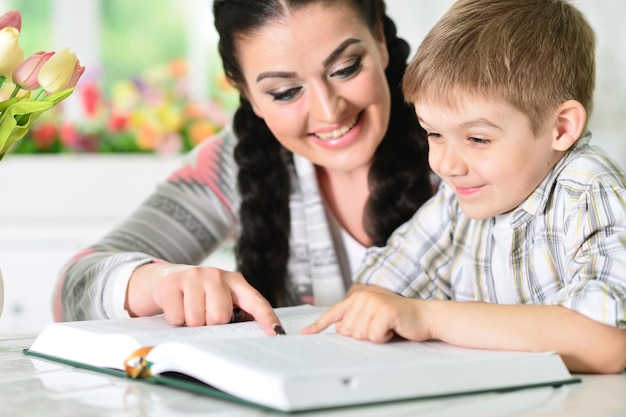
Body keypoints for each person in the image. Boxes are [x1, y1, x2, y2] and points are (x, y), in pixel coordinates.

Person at [53, 0, 434, 335]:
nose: (328, 110)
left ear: (380, 40)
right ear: (246, 92)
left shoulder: (465, 136)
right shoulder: (231, 162)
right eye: (285, 92)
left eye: (346, 68)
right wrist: (160, 282)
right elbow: (70, 293)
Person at [304, 0, 626, 373]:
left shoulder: (589, 191)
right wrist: (378, 308)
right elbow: (376, 290)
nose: (446, 164)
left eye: (477, 138)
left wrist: (427, 317)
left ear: (561, 128)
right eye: (434, 134)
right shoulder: (458, 203)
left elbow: (607, 342)